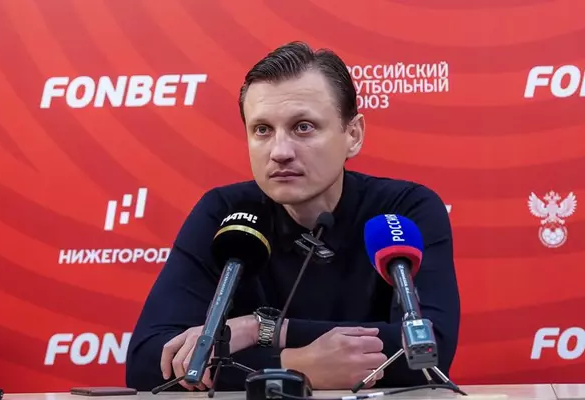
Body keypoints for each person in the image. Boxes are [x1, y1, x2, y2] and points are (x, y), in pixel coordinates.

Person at [125, 41, 461, 392]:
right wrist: (293, 365)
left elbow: (428, 353)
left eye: (303, 127)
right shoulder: (224, 212)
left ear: (353, 135)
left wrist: (260, 329)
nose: (280, 152)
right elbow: (149, 363)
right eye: (262, 130)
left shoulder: (403, 210)